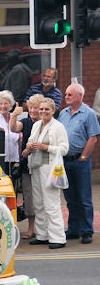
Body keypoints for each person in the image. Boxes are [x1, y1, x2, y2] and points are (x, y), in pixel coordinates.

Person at [22, 98, 68, 248]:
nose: (43, 112)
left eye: (47, 109)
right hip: (35, 167)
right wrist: (29, 147)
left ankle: (58, 238)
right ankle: (42, 235)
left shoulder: (58, 127)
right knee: (38, 203)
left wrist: (45, 147)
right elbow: (29, 143)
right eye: (41, 109)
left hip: (50, 168)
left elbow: (64, 149)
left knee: (51, 203)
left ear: (53, 111)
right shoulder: (36, 125)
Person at [58, 83, 100, 244]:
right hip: (65, 161)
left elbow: (93, 138)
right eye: (66, 94)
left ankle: (87, 230)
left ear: (80, 96)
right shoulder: (63, 113)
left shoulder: (89, 114)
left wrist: (83, 157)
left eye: (70, 94)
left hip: (80, 162)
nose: (66, 97)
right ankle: (74, 229)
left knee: (84, 199)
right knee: (70, 198)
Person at [10, 94, 44, 238]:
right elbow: (13, 128)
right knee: (29, 198)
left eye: (36, 108)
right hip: (26, 165)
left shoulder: (46, 124)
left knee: (43, 197)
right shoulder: (26, 122)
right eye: (30, 108)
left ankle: (43, 229)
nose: (33, 111)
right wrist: (14, 115)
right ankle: (31, 229)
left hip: (43, 165)